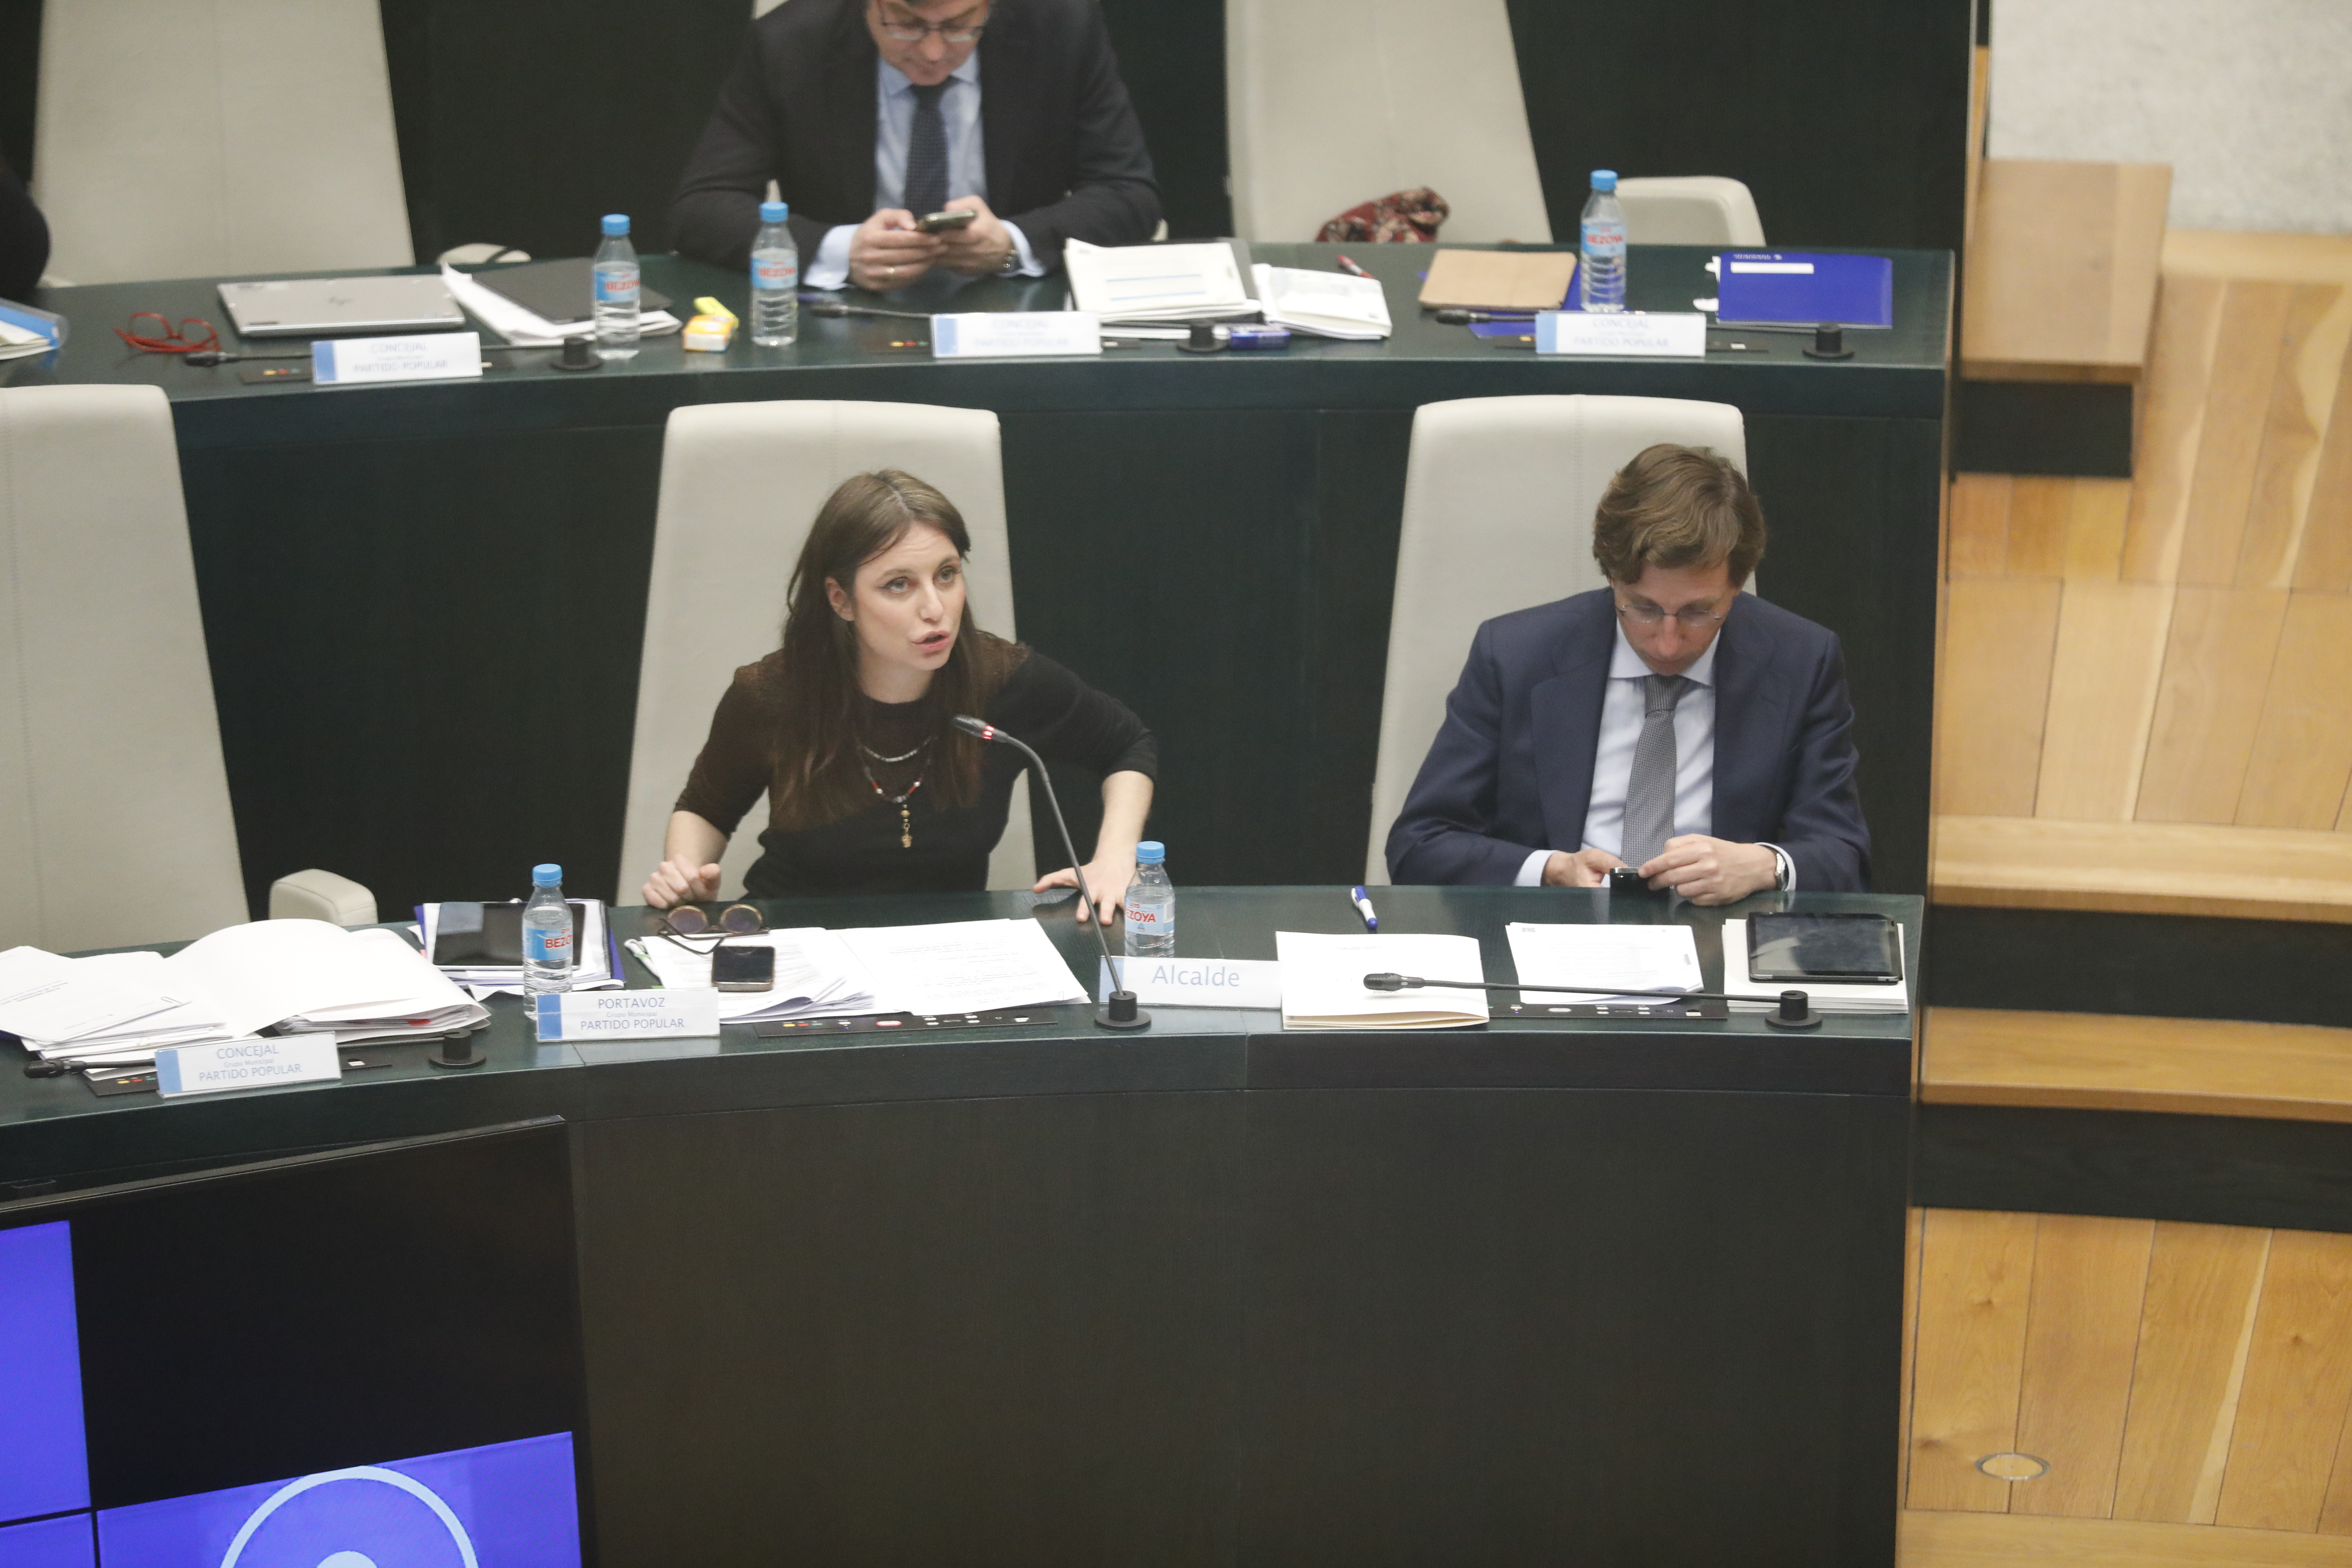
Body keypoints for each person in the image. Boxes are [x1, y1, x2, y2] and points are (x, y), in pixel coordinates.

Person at [643, 469, 1155, 922]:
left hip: (947, 952)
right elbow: (706, 809)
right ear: (841, 600)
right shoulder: (772, 695)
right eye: (898, 585)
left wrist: (1115, 858)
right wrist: (686, 875)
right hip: (799, 947)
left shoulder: (1003, 681)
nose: (935, 608)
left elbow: (1126, 743)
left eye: (947, 575)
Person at [1385, 444, 1870, 902]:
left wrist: (1765, 866)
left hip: (1719, 935)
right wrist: (1551, 870)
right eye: (1643, 609)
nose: (1667, 642)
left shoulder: (1800, 661)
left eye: (1699, 612)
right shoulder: (1515, 657)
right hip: (1553, 933)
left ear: (1737, 587)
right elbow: (1421, 845)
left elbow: (1845, 855)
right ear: (1612, 578)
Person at [669, 0, 1161, 294]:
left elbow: (1129, 194)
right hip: (846, 315)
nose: (932, 52)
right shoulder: (791, 43)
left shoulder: (1061, 28)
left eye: (960, 25)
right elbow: (703, 207)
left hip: (1013, 311)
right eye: (905, 23)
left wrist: (1011, 244)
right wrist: (842, 252)